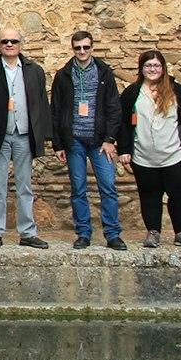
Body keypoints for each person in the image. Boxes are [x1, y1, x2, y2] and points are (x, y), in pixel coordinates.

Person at [0, 29, 52, 249]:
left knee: (24, 186)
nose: (9, 44)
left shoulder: (34, 71)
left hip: (25, 135)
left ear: (21, 43)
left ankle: (27, 232)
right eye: (4, 41)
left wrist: (44, 134)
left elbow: (42, 103)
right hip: (0, 135)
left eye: (13, 41)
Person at [118, 49, 181, 249]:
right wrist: (124, 150)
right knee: (149, 196)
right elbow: (123, 123)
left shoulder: (175, 90)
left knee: (179, 195)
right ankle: (153, 232)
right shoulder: (132, 92)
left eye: (156, 65)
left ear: (163, 68)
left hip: (174, 155)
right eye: (148, 66)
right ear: (141, 68)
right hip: (144, 157)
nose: (152, 69)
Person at [51, 30, 125, 250]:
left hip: (100, 140)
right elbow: (55, 110)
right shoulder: (63, 74)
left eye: (86, 47)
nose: (82, 51)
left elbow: (114, 107)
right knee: (78, 188)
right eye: (77, 48)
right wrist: (58, 144)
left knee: (108, 187)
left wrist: (110, 139)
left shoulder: (104, 72)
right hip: (74, 140)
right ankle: (83, 233)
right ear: (72, 49)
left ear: (92, 47)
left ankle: (112, 234)